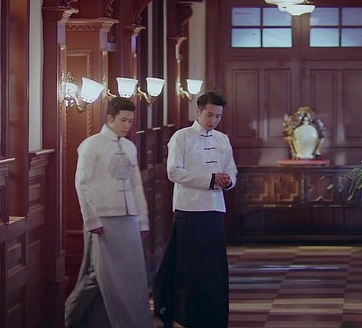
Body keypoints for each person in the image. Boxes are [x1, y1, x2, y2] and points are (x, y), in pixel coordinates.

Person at [65, 97, 153, 328]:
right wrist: (91, 219)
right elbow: (82, 183)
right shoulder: (91, 145)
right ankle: (71, 319)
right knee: (96, 275)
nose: (127, 125)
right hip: (102, 220)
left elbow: (136, 185)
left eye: (130, 121)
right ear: (109, 118)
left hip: (129, 219)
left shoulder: (130, 147)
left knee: (130, 276)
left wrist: (142, 221)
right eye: (123, 120)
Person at [153, 91, 238, 328]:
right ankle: (182, 317)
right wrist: (210, 179)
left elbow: (232, 170)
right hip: (188, 210)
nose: (213, 120)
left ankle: (213, 318)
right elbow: (173, 172)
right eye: (209, 115)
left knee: (214, 270)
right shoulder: (181, 137)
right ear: (198, 111)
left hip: (215, 210)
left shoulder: (223, 139)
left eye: (218, 116)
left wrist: (228, 181)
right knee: (188, 269)